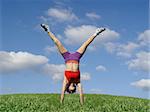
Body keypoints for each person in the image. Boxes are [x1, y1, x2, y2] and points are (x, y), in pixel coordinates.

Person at [41, 24, 105, 104]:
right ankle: (96, 33)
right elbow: (81, 93)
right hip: (76, 58)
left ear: (68, 88)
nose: (71, 89)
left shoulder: (66, 80)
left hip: (67, 57)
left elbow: (62, 92)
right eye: (73, 90)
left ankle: (47, 30)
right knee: (85, 44)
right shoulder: (77, 81)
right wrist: (82, 104)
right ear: (74, 88)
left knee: (57, 42)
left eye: (70, 90)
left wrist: (61, 102)